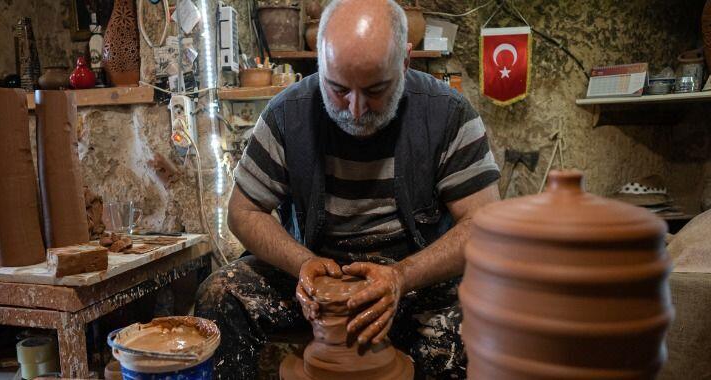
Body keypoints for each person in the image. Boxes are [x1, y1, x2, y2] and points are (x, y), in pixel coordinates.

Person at [195, 0, 500, 378]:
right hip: (315, 283)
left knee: (482, 315)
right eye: (338, 89)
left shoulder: (448, 115)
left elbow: (485, 225)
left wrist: (402, 277)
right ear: (320, 63)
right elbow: (243, 212)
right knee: (220, 293)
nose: (355, 110)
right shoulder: (285, 115)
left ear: (405, 63)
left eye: (376, 90)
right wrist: (301, 263)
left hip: (413, 281)